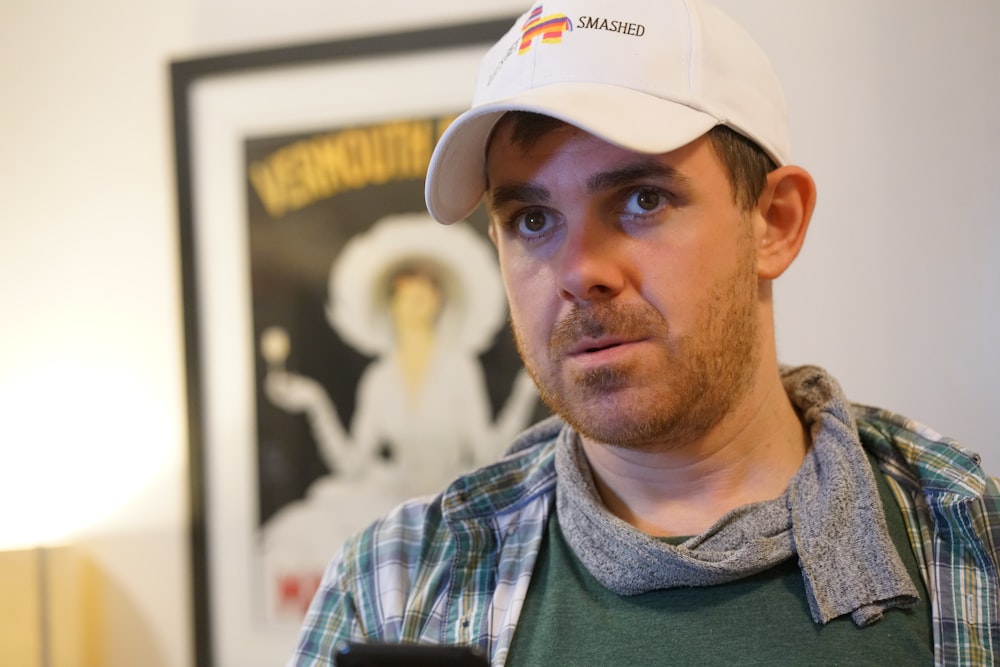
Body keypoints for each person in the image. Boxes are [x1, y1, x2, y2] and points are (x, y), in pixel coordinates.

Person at [289, 1, 1000, 665]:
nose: (579, 271)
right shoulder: (392, 589)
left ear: (775, 222)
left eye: (641, 199)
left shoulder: (972, 550)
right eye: (532, 219)